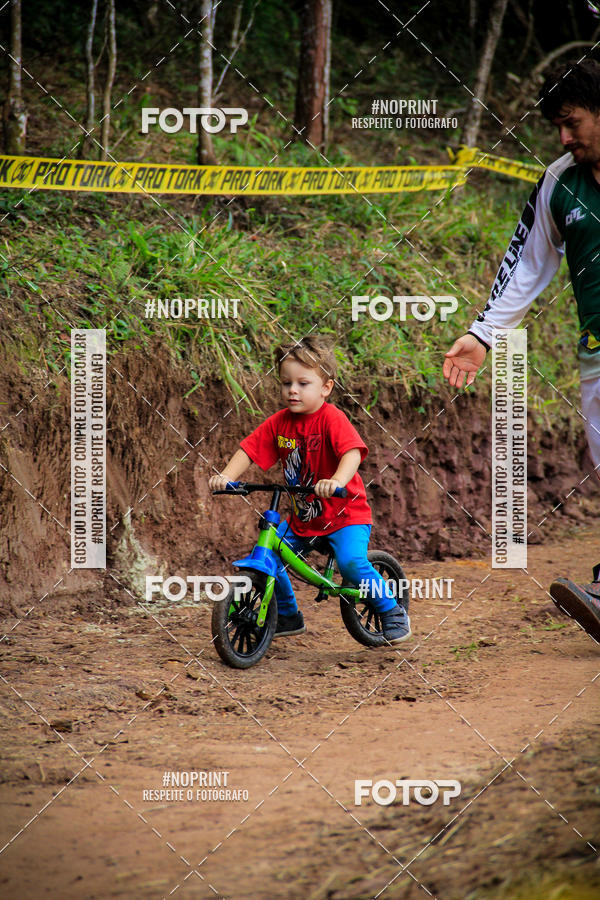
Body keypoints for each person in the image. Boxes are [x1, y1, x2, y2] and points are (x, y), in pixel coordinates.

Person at [442, 59, 600, 642]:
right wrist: (482, 334)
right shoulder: (561, 182)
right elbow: (526, 267)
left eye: (572, 122)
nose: (563, 137)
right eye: (556, 126)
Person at [208, 335, 411, 644]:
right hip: (306, 519)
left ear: (325, 387)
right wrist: (225, 476)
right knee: (268, 556)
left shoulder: (332, 419)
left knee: (352, 563)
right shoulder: (279, 423)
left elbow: (352, 453)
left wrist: (337, 481)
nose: (293, 390)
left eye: (303, 383)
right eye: (286, 383)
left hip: (346, 515)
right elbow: (250, 450)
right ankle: (287, 616)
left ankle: (391, 611)